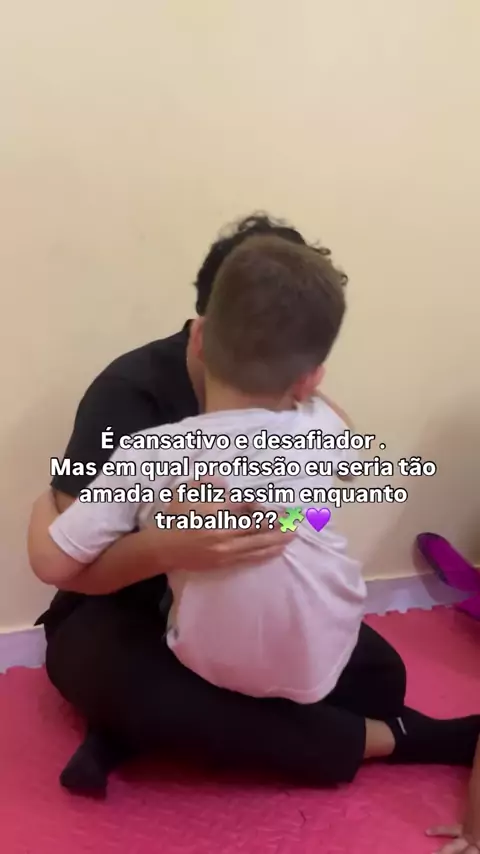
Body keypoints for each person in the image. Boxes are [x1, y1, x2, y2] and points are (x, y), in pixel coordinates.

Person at [29, 215, 480, 798]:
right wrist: (169, 547)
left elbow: (330, 492)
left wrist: (285, 518)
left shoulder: (288, 407)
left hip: (220, 615)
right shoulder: (130, 390)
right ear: (197, 326)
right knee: (123, 677)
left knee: (380, 676)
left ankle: (140, 735)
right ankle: (397, 739)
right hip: (118, 609)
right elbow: (73, 571)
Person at [30, 234, 367, 706]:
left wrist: (41, 503)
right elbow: (356, 462)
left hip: (208, 659)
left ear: (200, 337)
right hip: (318, 657)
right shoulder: (319, 424)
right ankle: (366, 734)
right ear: (311, 378)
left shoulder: (153, 453)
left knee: (379, 674)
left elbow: (52, 562)